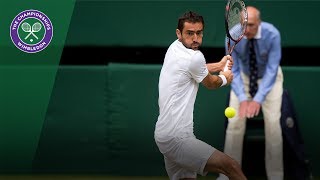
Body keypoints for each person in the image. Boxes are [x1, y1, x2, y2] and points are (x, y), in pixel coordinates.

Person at [154, 11, 247, 180]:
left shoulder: (175, 47)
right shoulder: (194, 57)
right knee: (230, 166)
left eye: (199, 32)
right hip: (177, 139)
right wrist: (224, 78)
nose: (195, 38)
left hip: (164, 135)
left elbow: (195, 68)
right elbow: (210, 83)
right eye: (190, 33)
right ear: (179, 33)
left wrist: (219, 65)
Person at [218, 6, 284, 180]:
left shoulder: (273, 34)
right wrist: (243, 98)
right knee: (234, 126)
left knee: (273, 126)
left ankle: (276, 176)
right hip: (243, 77)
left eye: (251, 25)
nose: (246, 30)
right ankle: (227, 175)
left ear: (259, 23)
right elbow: (235, 69)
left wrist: (257, 99)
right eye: (243, 24)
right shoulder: (233, 35)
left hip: (270, 78)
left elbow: (272, 69)